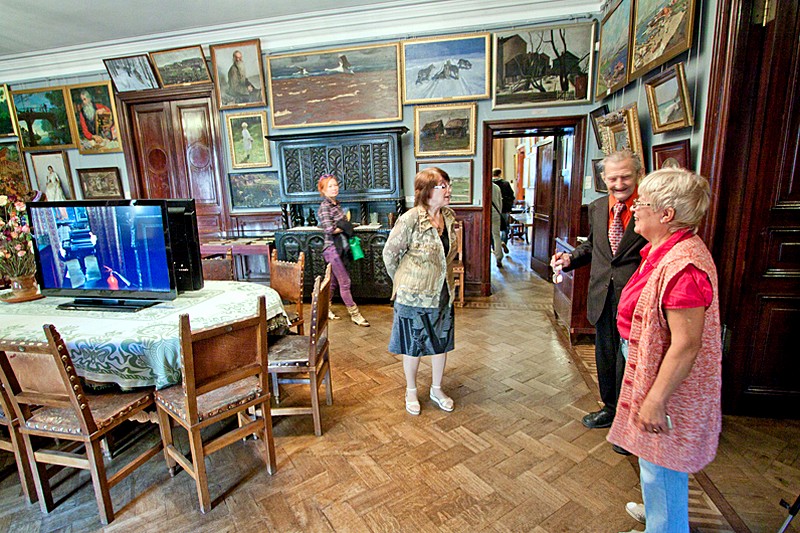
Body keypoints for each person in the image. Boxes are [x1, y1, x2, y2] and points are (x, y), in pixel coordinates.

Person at [608, 168, 721, 532]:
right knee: (654, 457)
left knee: (663, 459)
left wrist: (656, 399)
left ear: (667, 215)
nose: (635, 208)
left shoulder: (683, 265)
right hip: (649, 367)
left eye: (643, 203)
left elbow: (687, 346)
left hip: (669, 383)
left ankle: (667, 524)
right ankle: (659, 510)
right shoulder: (665, 249)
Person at [550, 150, 647, 448]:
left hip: (635, 297)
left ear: (638, 176)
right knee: (605, 354)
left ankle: (629, 424)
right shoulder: (596, 207)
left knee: (630, 362)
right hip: (602, 295)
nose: (619, 183)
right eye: (613, 177)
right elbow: (594, 246)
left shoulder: (649, 208)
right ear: (604, 178)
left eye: (626, 177)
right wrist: (569, 260)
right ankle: (610, 408)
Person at [383, 167, 458, 416]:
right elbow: (389, 254)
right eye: (442, 186)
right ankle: (411, 390)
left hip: (442, 291)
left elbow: (449, 255)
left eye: (448, 184)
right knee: (413, 345)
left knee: (440, 342)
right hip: (413, 296)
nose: (448, 190)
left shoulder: (448, 217)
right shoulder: (411, 219)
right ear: (427, 192)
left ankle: (436, 389)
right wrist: (403, 281)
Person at [317, 174, 369, 327]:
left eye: (335, 185)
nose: (334, 188)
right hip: (332, 249)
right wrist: (347, 226)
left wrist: (348, 225)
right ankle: (355, 314)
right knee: (345, 282)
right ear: (323, 190)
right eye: (330, 186)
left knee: (333, 282)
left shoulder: (336, 204)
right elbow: (328, 229)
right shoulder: (325, 207)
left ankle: (325, 309)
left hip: (341, 247)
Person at [492, 168, 515, 252]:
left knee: (494, 231)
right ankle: (503, 241)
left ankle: (495, 247)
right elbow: (512, 196)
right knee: (505, 227)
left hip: (493, 210)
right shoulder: (505, 184)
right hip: (504, 209)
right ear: (500, 174)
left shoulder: (490, 184)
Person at [491, 180, 504, 267]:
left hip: (485, 213)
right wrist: (499, 212)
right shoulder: (496, 187)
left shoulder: (482, 186)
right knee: (496, 236)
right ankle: (499, 257)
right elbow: (500, 202)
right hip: (496, 212)